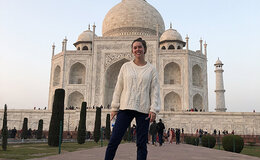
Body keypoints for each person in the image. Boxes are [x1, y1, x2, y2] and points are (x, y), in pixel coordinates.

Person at [104, 38, 161, 160]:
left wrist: (154, 109)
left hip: (143, 110)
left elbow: (155, 91)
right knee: (114, 140)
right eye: (135, 48)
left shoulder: (151, 69)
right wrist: (114, 107)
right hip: (125, 107)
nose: (137, 49)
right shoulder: (125, 66)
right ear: (132, 50)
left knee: (141, 144)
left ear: (145, 49)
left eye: (140, 47)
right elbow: (119, 87)